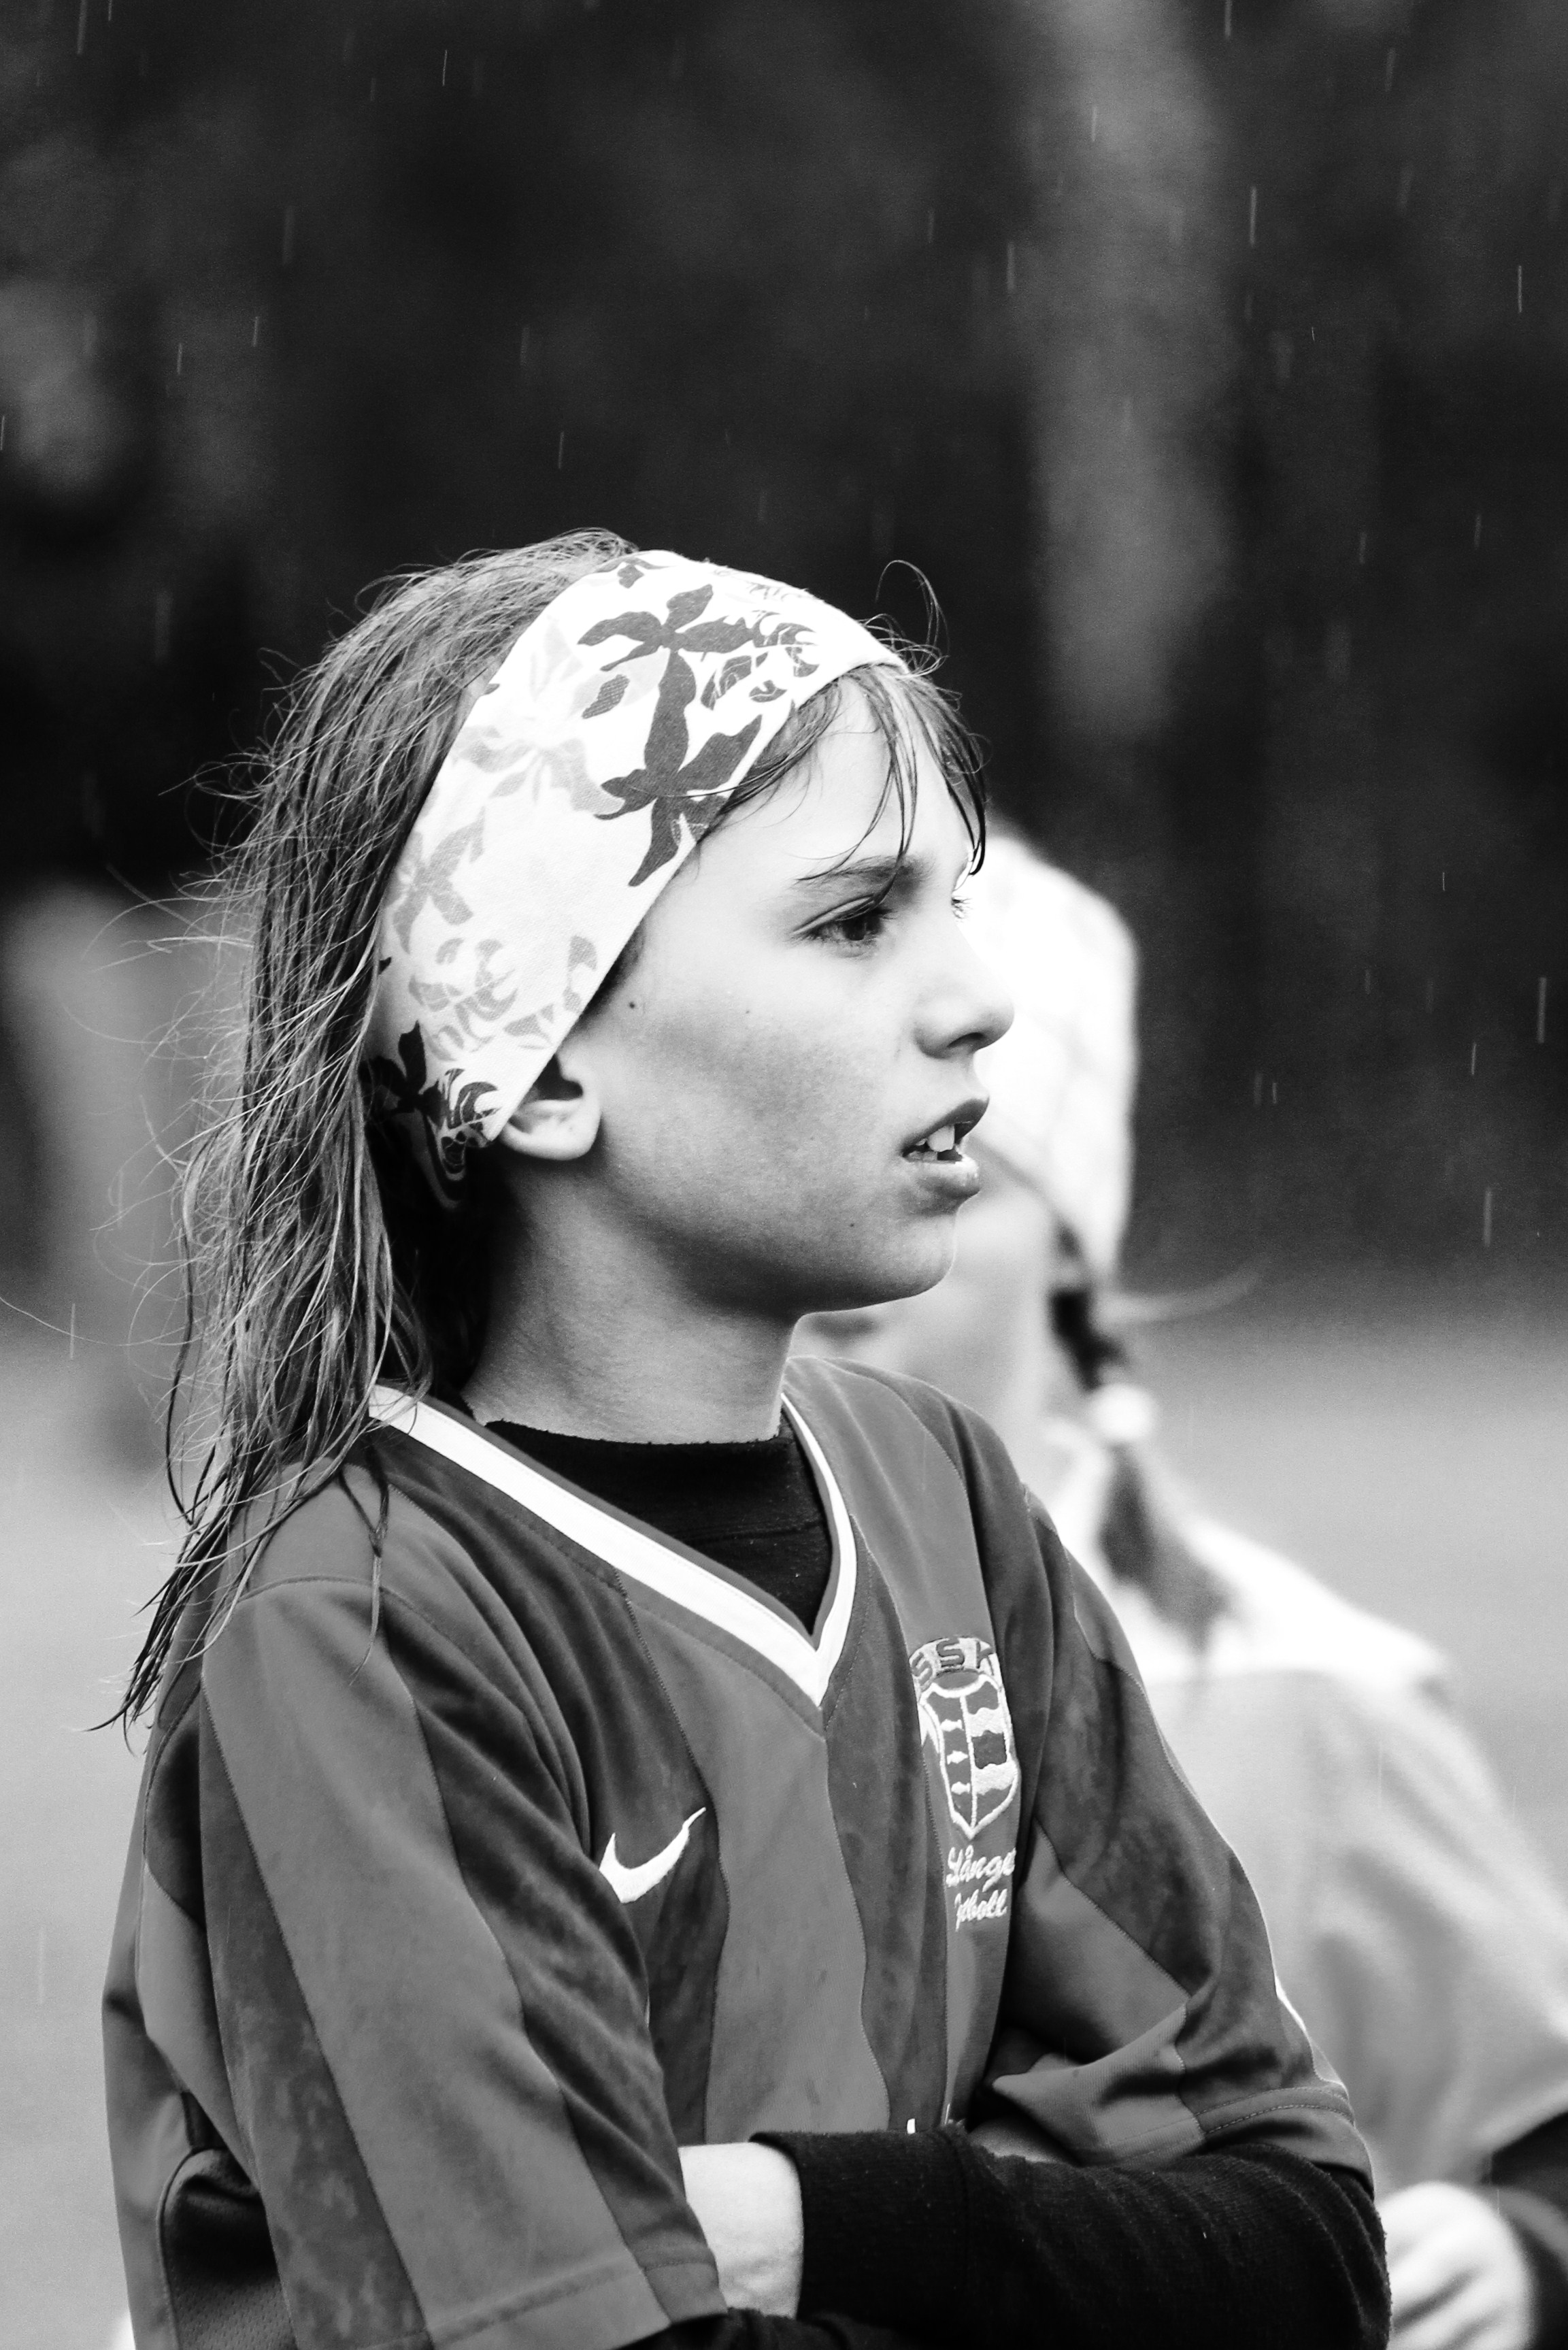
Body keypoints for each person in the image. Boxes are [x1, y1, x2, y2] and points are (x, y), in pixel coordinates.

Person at [102, 535, 1386, 2350]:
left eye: (956, 902)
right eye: (855, 919)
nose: (979, 996)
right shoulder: (365, 1624)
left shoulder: (949, 1500)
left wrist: (827, 2219)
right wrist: (1068, 2258)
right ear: (542, 1065)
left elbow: (1308, 2244)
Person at [800, 829, 1568, 2350]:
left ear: (1072, 1254)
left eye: (955, 1163)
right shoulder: (629, 1629)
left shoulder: (1307, 1696)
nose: (852, 1235)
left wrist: (1523, 2247)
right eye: (813, 1146)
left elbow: (1540, 2126)